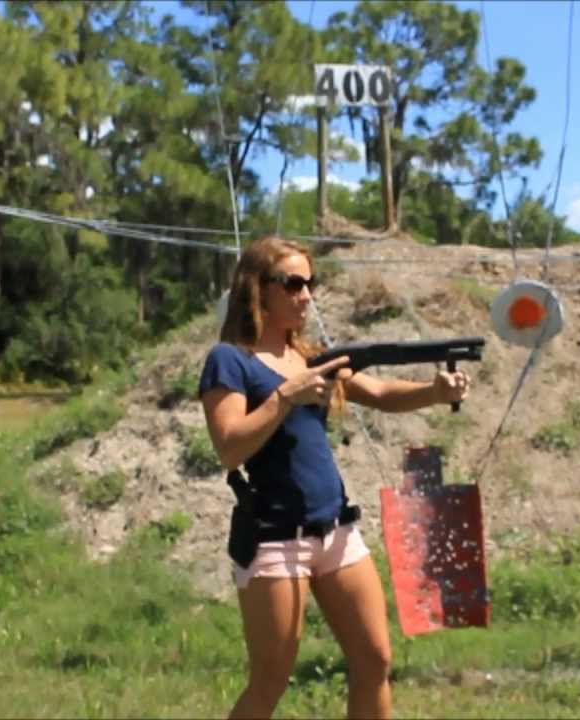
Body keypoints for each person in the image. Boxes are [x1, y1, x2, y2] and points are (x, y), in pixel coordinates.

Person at [198, 236, 472, 719]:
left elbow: (380, 392)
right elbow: (230, 447)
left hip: (337, 529)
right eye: (293, 283)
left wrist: (434, 391)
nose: (306, 295)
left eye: (311, 283)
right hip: (274, 538)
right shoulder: (230, 359)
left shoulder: (310, 356)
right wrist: (286, 397)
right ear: (257, 289)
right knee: (270, 681)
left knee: (375, 660)